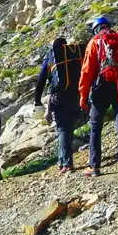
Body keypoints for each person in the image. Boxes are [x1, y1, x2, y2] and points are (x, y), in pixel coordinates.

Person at [78, 16, 118, 177]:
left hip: (102, 87)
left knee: (96, 126)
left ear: (95, 29)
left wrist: (83, 96)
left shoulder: (95, 42)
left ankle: (94, 166)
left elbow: (87, 71)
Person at [34, 37, 84, 174]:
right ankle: (62, 161)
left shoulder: (51, 59)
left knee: (63, 130)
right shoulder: (74, 57)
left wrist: (37, 100)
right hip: (77, 96)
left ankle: (67, 163)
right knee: (68, 130)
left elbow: (41, 80)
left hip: (60, 98)